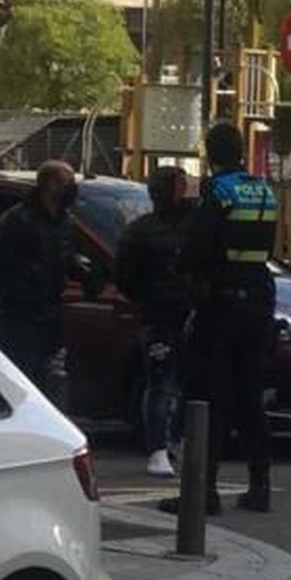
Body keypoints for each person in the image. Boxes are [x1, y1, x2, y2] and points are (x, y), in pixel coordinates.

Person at [177, 123, 279, 515]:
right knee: (251, 398)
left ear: (212, 155)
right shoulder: (264, 191)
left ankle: (206, 491)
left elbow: (196, 248)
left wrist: (187, 267)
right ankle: (260, 485)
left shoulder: (218, 192)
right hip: (259, 302)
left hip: (223, 306)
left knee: (211, 398)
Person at [0, 161, 91, 401]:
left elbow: (64, 256)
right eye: (68, 182)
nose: (72, 189)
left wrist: (78, 269)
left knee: (53, 381)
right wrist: (16, 294)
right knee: (22, 382)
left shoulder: (64, 220)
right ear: (52, 185)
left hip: (51, 315)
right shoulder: (18, 220)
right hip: (21, 318)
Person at [116, 166, 194, 479]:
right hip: (158, 316)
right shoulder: (141, 232)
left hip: (187, 315)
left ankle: (175, 439)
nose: (185, 191)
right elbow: (124, 277)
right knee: (160, 382)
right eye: (180, 185)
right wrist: (147, 299)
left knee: (186, 382)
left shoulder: (191, 225)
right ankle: (158, 449)